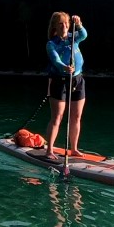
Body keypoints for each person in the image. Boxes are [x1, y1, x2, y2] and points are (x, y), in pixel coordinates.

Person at [40, 11, 87, 159]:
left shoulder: (74, 38)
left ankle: (74, 149)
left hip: (77, 80)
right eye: (60, 23)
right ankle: (49, 151)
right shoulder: (51, 44)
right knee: (57, 117)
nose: (64, 26)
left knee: (76, 116)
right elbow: (55, 60)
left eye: (66, 23)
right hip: (60, 81)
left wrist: (78, 24)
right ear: (55, 26)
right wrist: (64, 67)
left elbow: (84, 34)